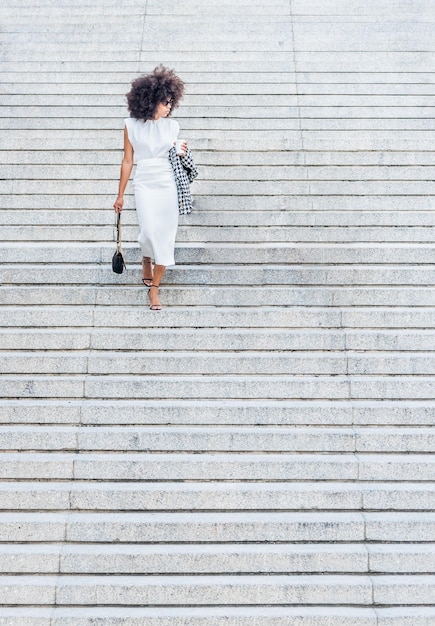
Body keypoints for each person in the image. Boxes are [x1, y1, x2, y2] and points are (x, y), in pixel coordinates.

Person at [113, 65, 186, 310]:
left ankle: (155, 288)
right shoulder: (131, 125)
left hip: (167, 183)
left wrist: (180, 151)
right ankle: (146, 256)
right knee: (148, 231)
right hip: (144, 181)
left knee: (165, 236)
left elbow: (174, 153)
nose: (169, 106)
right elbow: (127, 160)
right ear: (151, 99)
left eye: (171, 102)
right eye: (165, 101)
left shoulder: (172, 127)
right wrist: (120, 194)